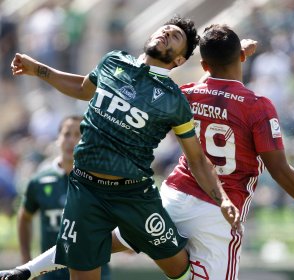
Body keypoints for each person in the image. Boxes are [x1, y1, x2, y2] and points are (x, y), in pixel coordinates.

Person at [1, 24, 294, 280]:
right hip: (217, 214)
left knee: (101, 239)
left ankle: (27, 269)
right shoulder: (257, 106)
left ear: (202, 65)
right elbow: (279, 169)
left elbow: (191, 88)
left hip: (172, 195)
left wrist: (234, 56)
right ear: (238, 58)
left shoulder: (185, 94)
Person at [3, 16, 241, 280]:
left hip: (134, 196)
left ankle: (29, 269)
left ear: (179, 60)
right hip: (86, 189)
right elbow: (83, 88)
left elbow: (196, 159)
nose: (166, 33)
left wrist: (223, 199)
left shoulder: (174, 100)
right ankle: (28, 270)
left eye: (175, 37)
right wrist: (38, 70)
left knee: (180, 270)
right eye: (165, 29)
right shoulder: (113, 61)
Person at [15, 116, 110, 280]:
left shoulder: (102, 181)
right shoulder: (39, 181)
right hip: (51, 274)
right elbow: (24, 217)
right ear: (58, 139)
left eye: (78, 135)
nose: (71, 140)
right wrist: (26, 257)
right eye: (66, 134)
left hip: (94, 271)